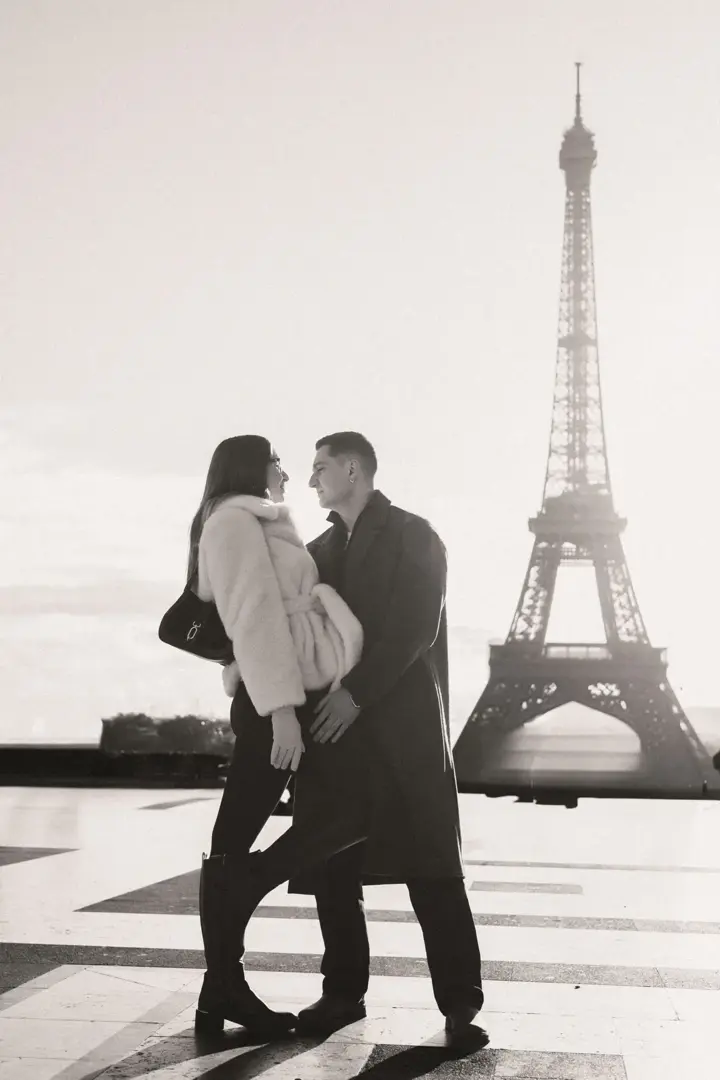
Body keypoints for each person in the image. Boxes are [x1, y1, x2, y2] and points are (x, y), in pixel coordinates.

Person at [290, 430, 486, 1044]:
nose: (312, 477)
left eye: (321, 467)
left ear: (354, 469)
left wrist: (357, 695)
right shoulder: (315, 549)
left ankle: (459, 1002)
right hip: (335, 732)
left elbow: (415, 628)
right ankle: (342, 993)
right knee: (332, 869)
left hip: (401, 729)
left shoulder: (414, 534)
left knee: (431, 866)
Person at [188, 434, 365, 1038]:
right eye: (277, 461)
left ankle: (220, 987)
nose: (287, 472)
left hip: (288, 692)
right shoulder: (234, 522)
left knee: (242, 836)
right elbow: (253, 614)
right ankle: (226, 982)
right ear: (252, 467)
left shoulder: (253, 521)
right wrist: (282, 711)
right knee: (239, 835)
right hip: (276, 701)